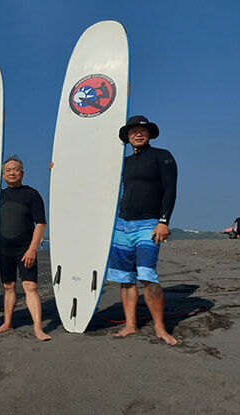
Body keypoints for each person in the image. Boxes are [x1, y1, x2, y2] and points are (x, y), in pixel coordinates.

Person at [107, 115, 178, 345]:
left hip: (149, 223)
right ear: (127, 137)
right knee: (125, 278)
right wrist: (58, 168)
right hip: (122, 224)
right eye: (133, 131)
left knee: (147, 275)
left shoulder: (162, 156)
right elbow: (95, 178)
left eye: (142, 131)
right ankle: (131, 325)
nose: (138, 134)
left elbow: (170, 190)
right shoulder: (124, 162)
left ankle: (160, 328)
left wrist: (163, 221)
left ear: (149, 134)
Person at [0, 156, 51, 341]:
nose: (12, 172)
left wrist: (32, 249)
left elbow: (41, 223)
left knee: (30, 286)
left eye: (16, 169)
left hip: (25, 249)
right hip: (4, 249)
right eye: (8, 170)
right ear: (3, 175)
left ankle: (38, 328)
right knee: (8, 286)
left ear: (22, 173)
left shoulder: (32, 194)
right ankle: (7, 323)